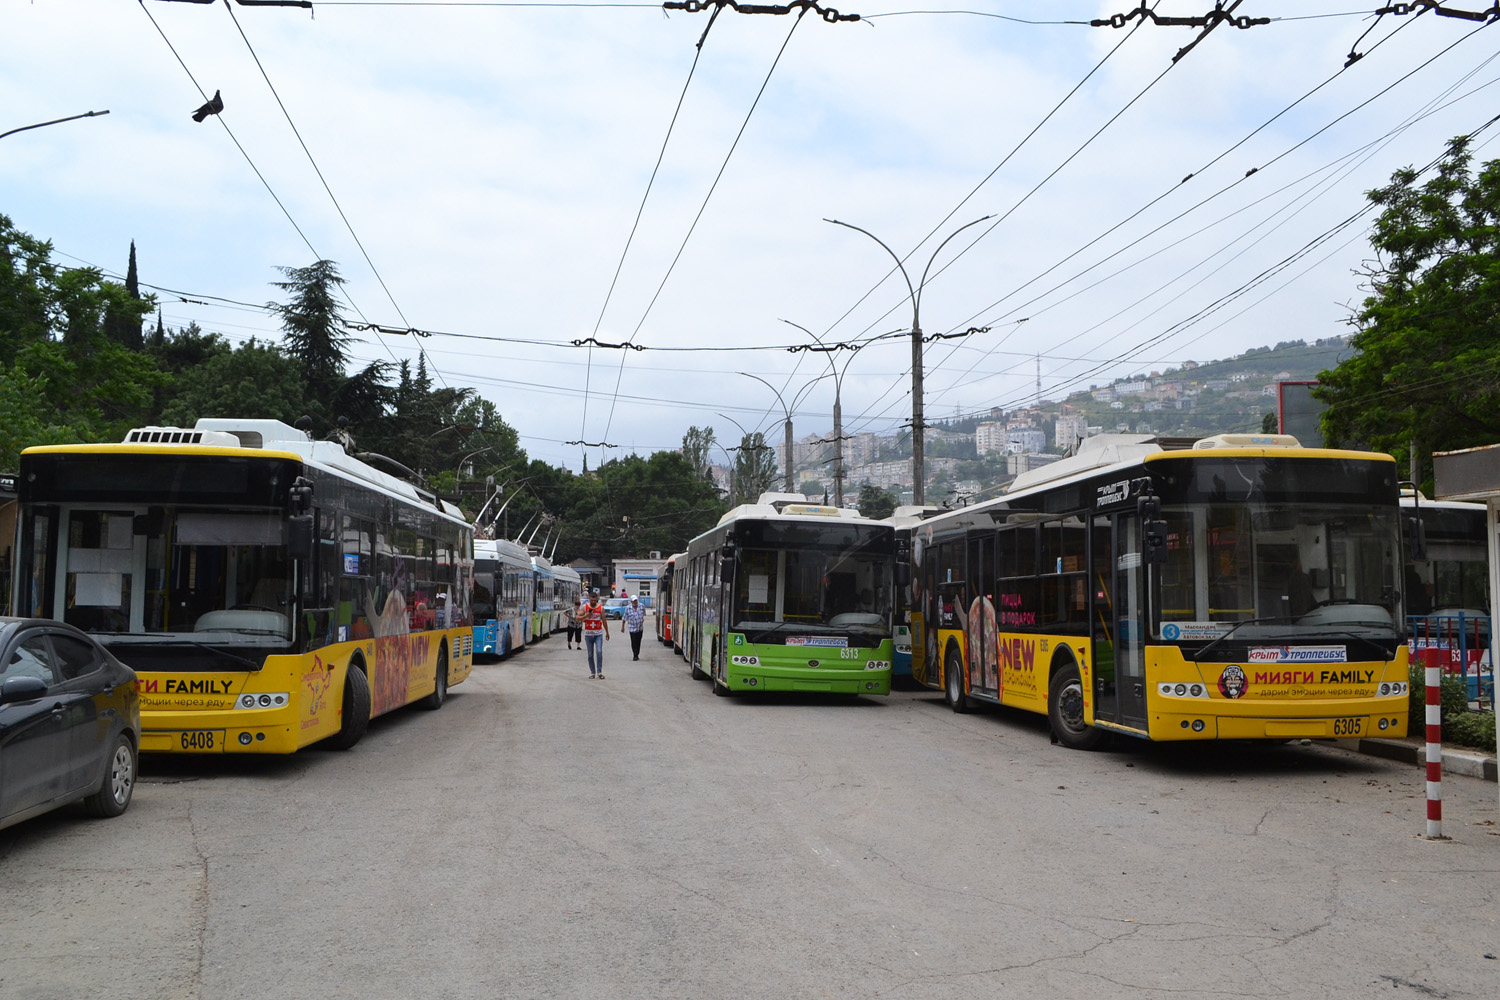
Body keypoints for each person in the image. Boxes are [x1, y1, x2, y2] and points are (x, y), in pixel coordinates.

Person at [581, 588, 610, 678]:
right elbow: (578, 618)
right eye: (591, 600)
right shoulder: (585, 607)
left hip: (598, 634)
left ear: (597, 599)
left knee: (599, 651)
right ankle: (592, 672)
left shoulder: (601, 608)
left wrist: (607, 632)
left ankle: (599, 672)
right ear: (589, 599)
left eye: (595, 600)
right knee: (590, 654)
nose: (593, 602)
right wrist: (587, 615)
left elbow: (604, 621)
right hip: (588, 635)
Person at [623, 594, 647, 661]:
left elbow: (644, 614)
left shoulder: (642, 606)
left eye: (636, 600)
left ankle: (637, 653)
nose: (635, 602)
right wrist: (623, 627)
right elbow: (624, 618)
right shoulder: (628, 608)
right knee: (633, 641)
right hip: (632, 628)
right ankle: (635, 655)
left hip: (640, 628)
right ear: (631, 602)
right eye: (634, 601)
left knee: (638, 641)